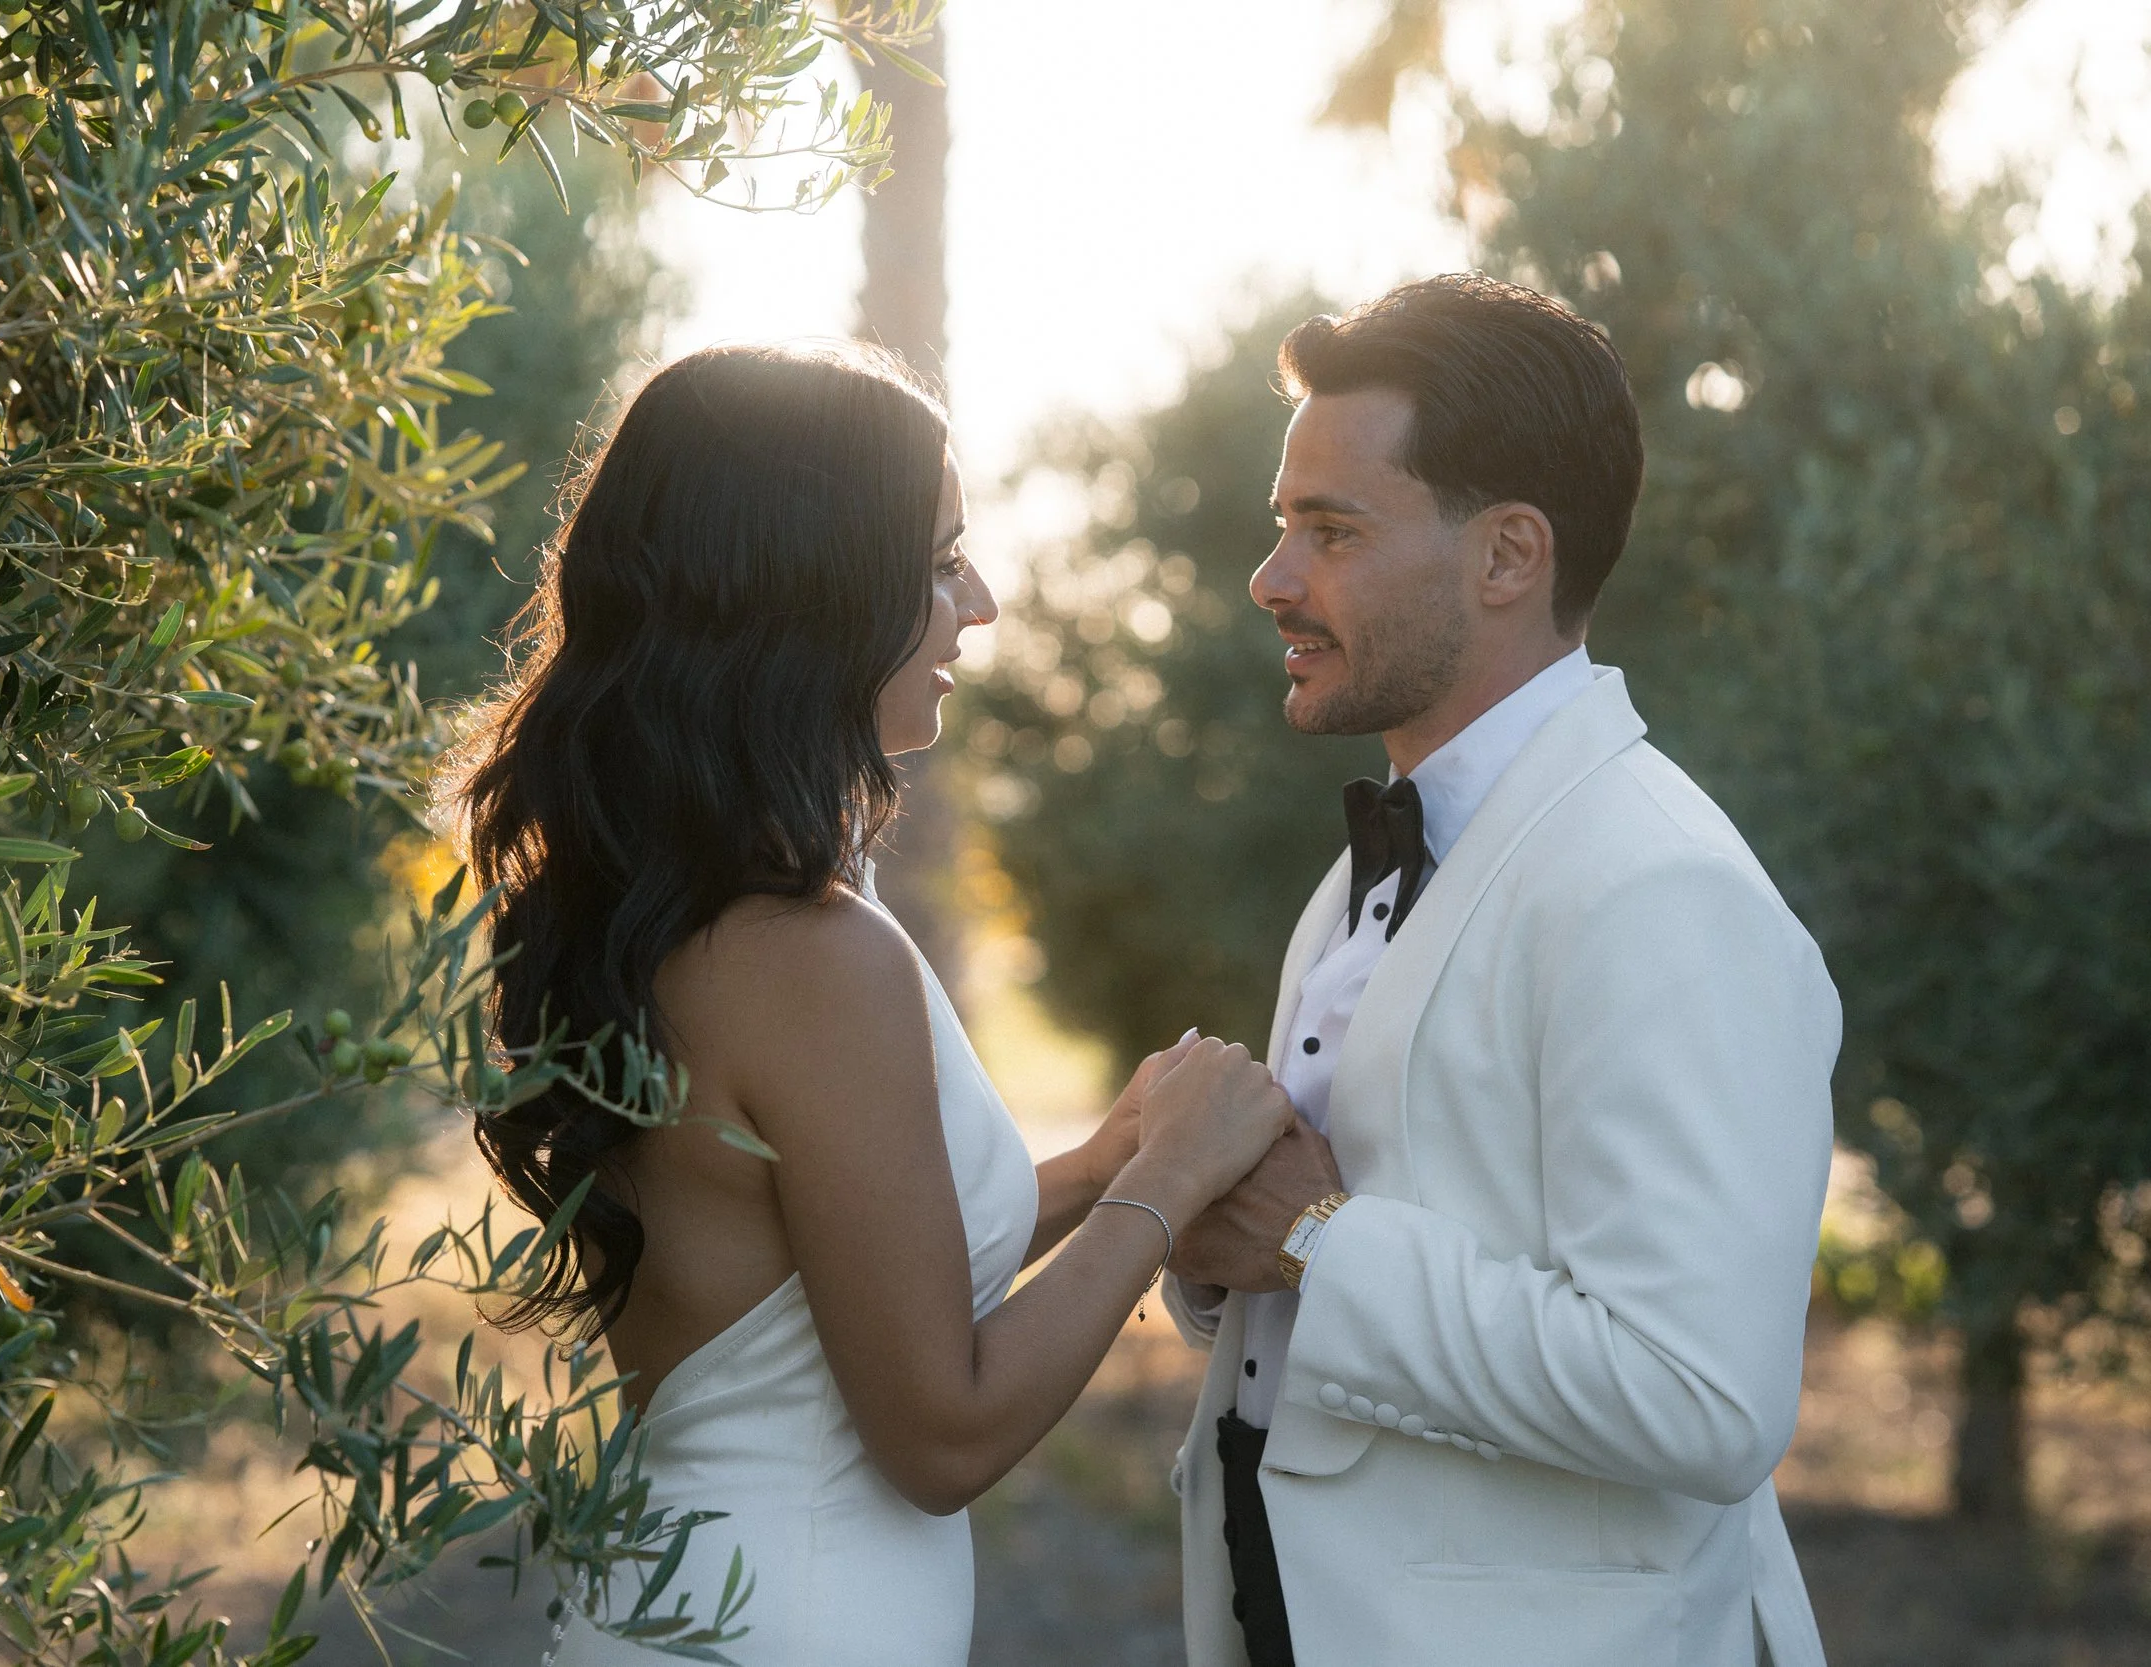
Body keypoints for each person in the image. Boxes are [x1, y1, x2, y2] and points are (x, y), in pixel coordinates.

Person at [445, 342, 1292, 1666]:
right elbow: (942, 1435)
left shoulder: (686, 909)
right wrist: (1169, 1185)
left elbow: (833, 1284)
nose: (983, 603)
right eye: (942, 562)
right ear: (811, 592)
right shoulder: (812, 956)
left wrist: (1101, 1166)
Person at [1161, 276, 1842, 1667]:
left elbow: (1700, 1394)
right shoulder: (1372, 866)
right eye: (1282, 526)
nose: (1272, 579)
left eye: (1332, 531)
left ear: (1509, 556)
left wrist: (1314, 1237)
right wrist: (1206, 1206)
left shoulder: (1664, 889)